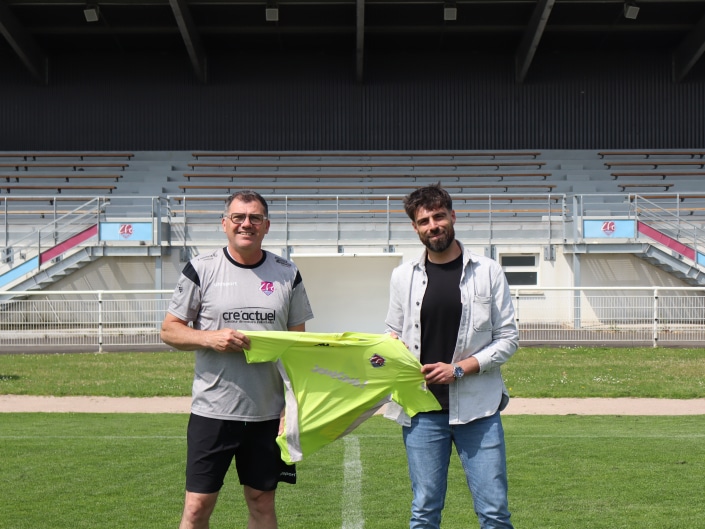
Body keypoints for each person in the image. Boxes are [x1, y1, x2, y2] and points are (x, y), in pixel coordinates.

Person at [160, 190, 314, 529]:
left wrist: (292, 406)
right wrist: (209, 338)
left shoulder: (287, 273)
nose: (247, 224)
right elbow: (169, 331)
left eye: (255, 218)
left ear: (266, 226)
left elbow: (297, 347)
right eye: (238, 217)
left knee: (262, 502)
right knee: (197, 507)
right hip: (212, 411)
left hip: (268, 414)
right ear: (224, 224)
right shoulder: (201, 268)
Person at [384, 184, 519, 529]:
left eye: (438, 217)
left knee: (494, 513)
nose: (433, 226)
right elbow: (394, 333)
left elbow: (508, 339)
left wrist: (458, 369)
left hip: (479, 410)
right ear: (415, 228)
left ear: (452, 217)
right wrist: (386, 349)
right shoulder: (402, 276)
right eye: (424, 221)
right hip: (422, 410)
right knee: (424, 511)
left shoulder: (488, 271)